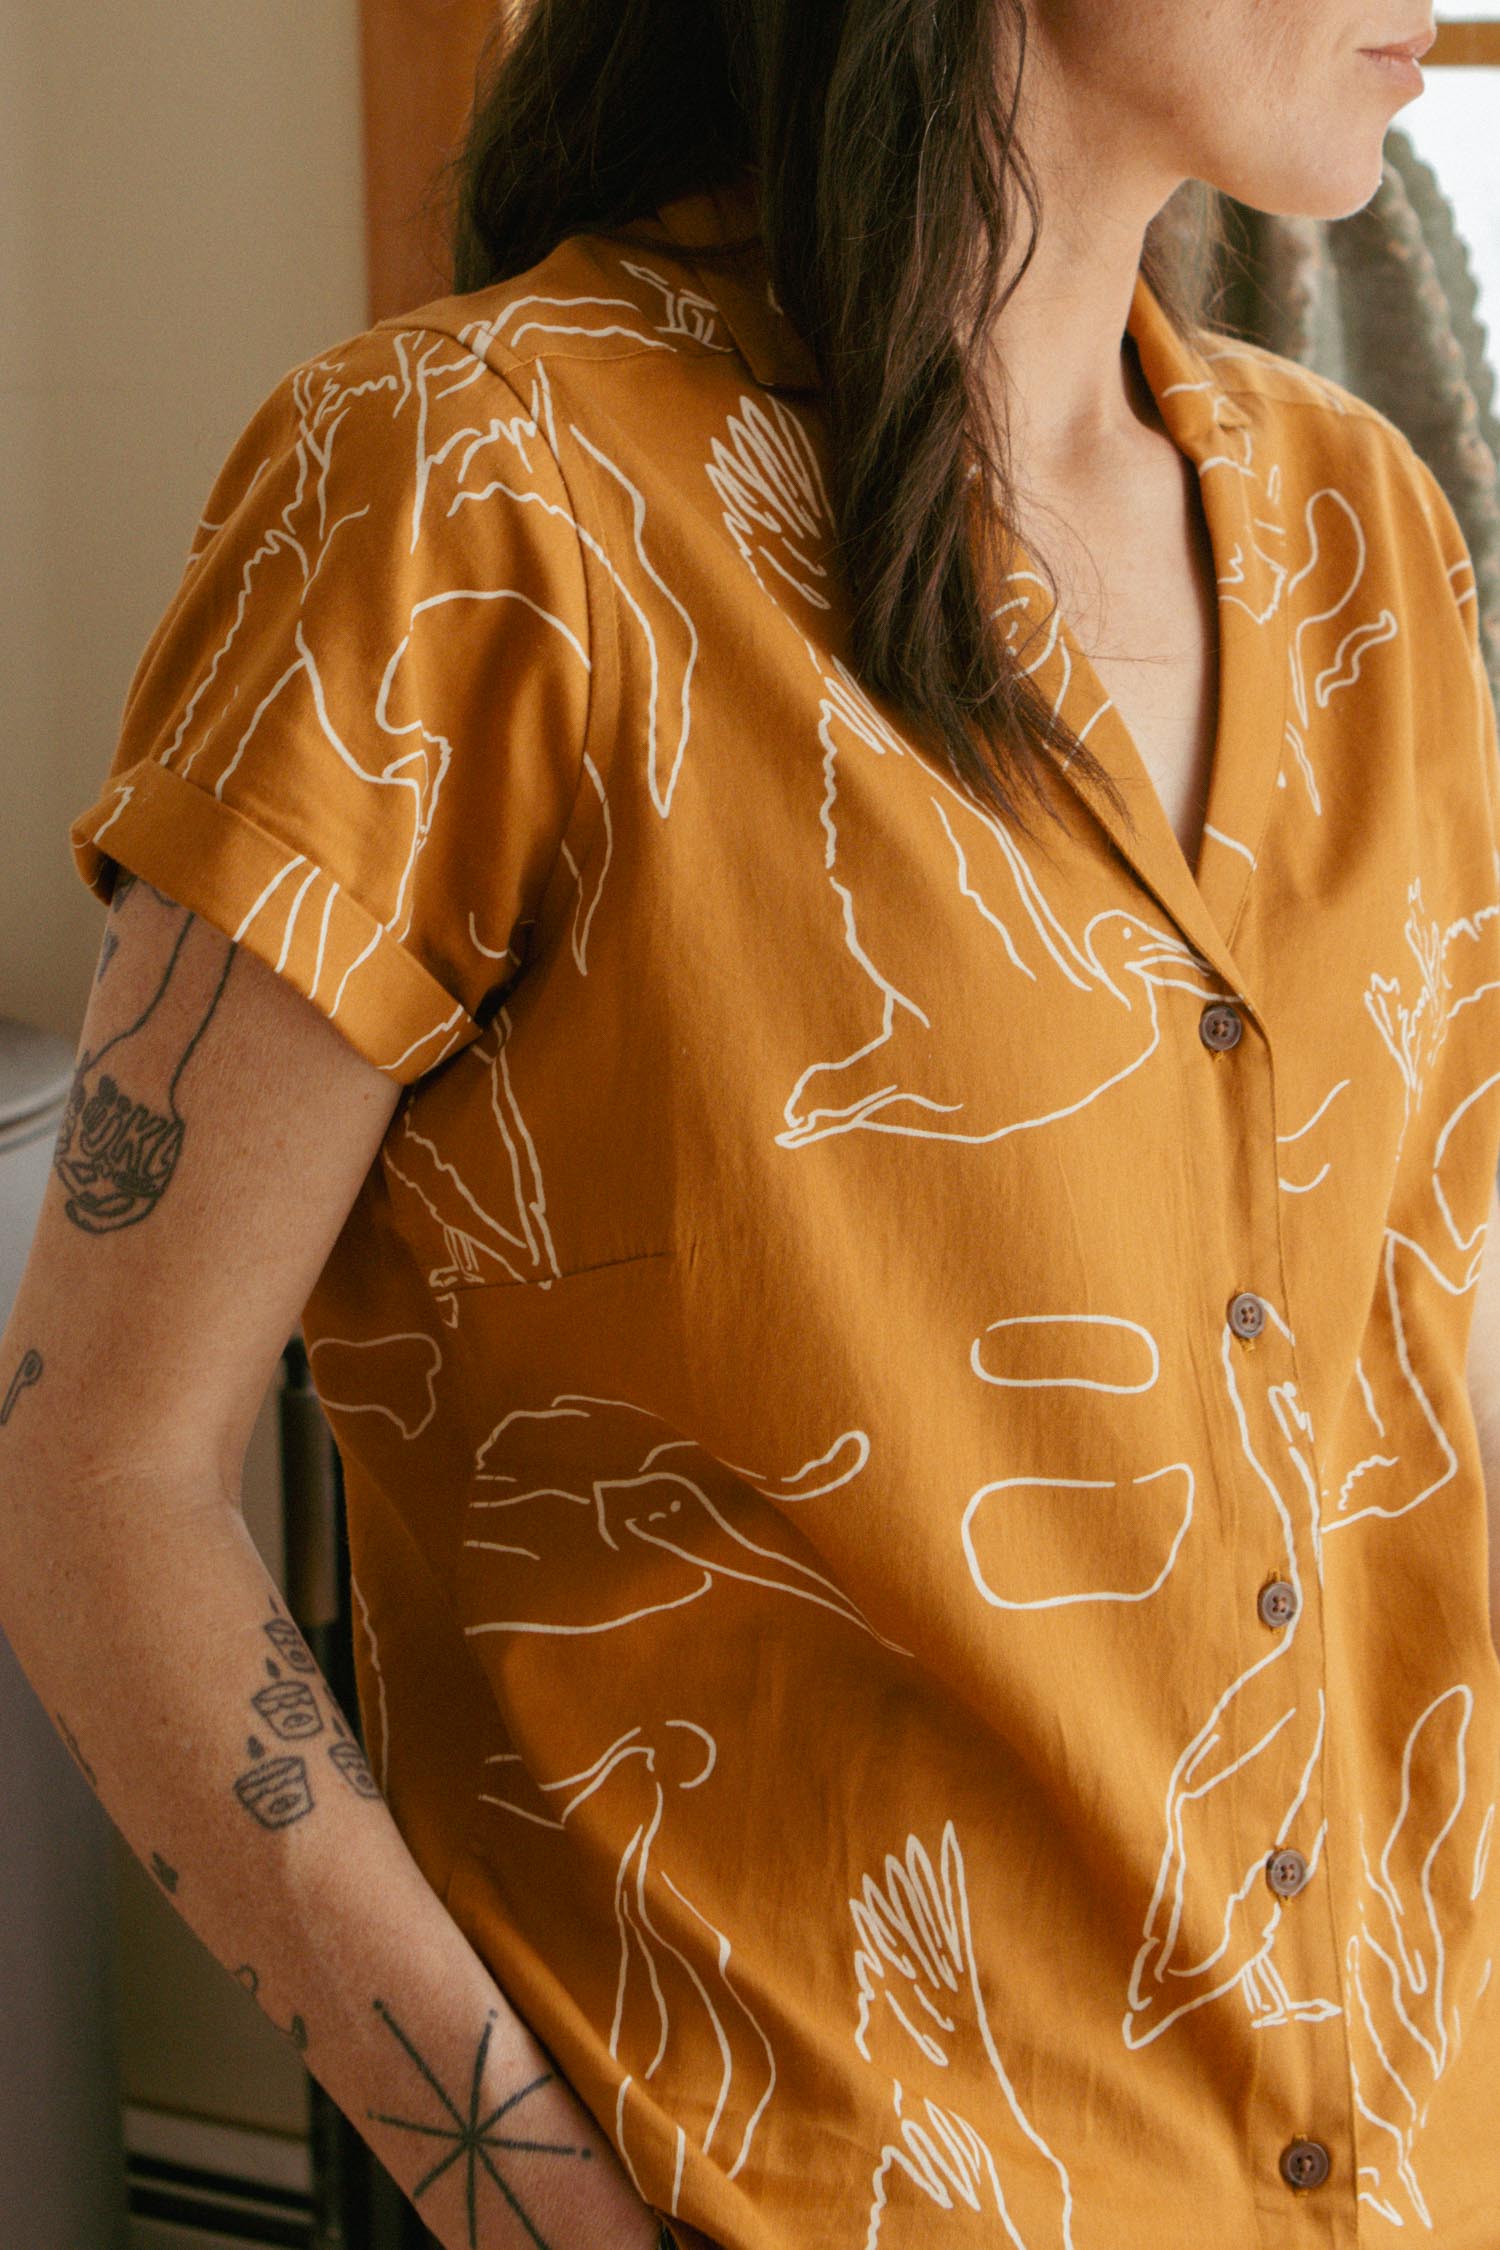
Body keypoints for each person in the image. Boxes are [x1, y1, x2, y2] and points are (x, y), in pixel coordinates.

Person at [2, 1, 1495, 2244]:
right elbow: (96, 1483)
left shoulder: (1361, 525)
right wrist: (531, 2202)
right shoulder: (473, 487)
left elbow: (1433, 1354)